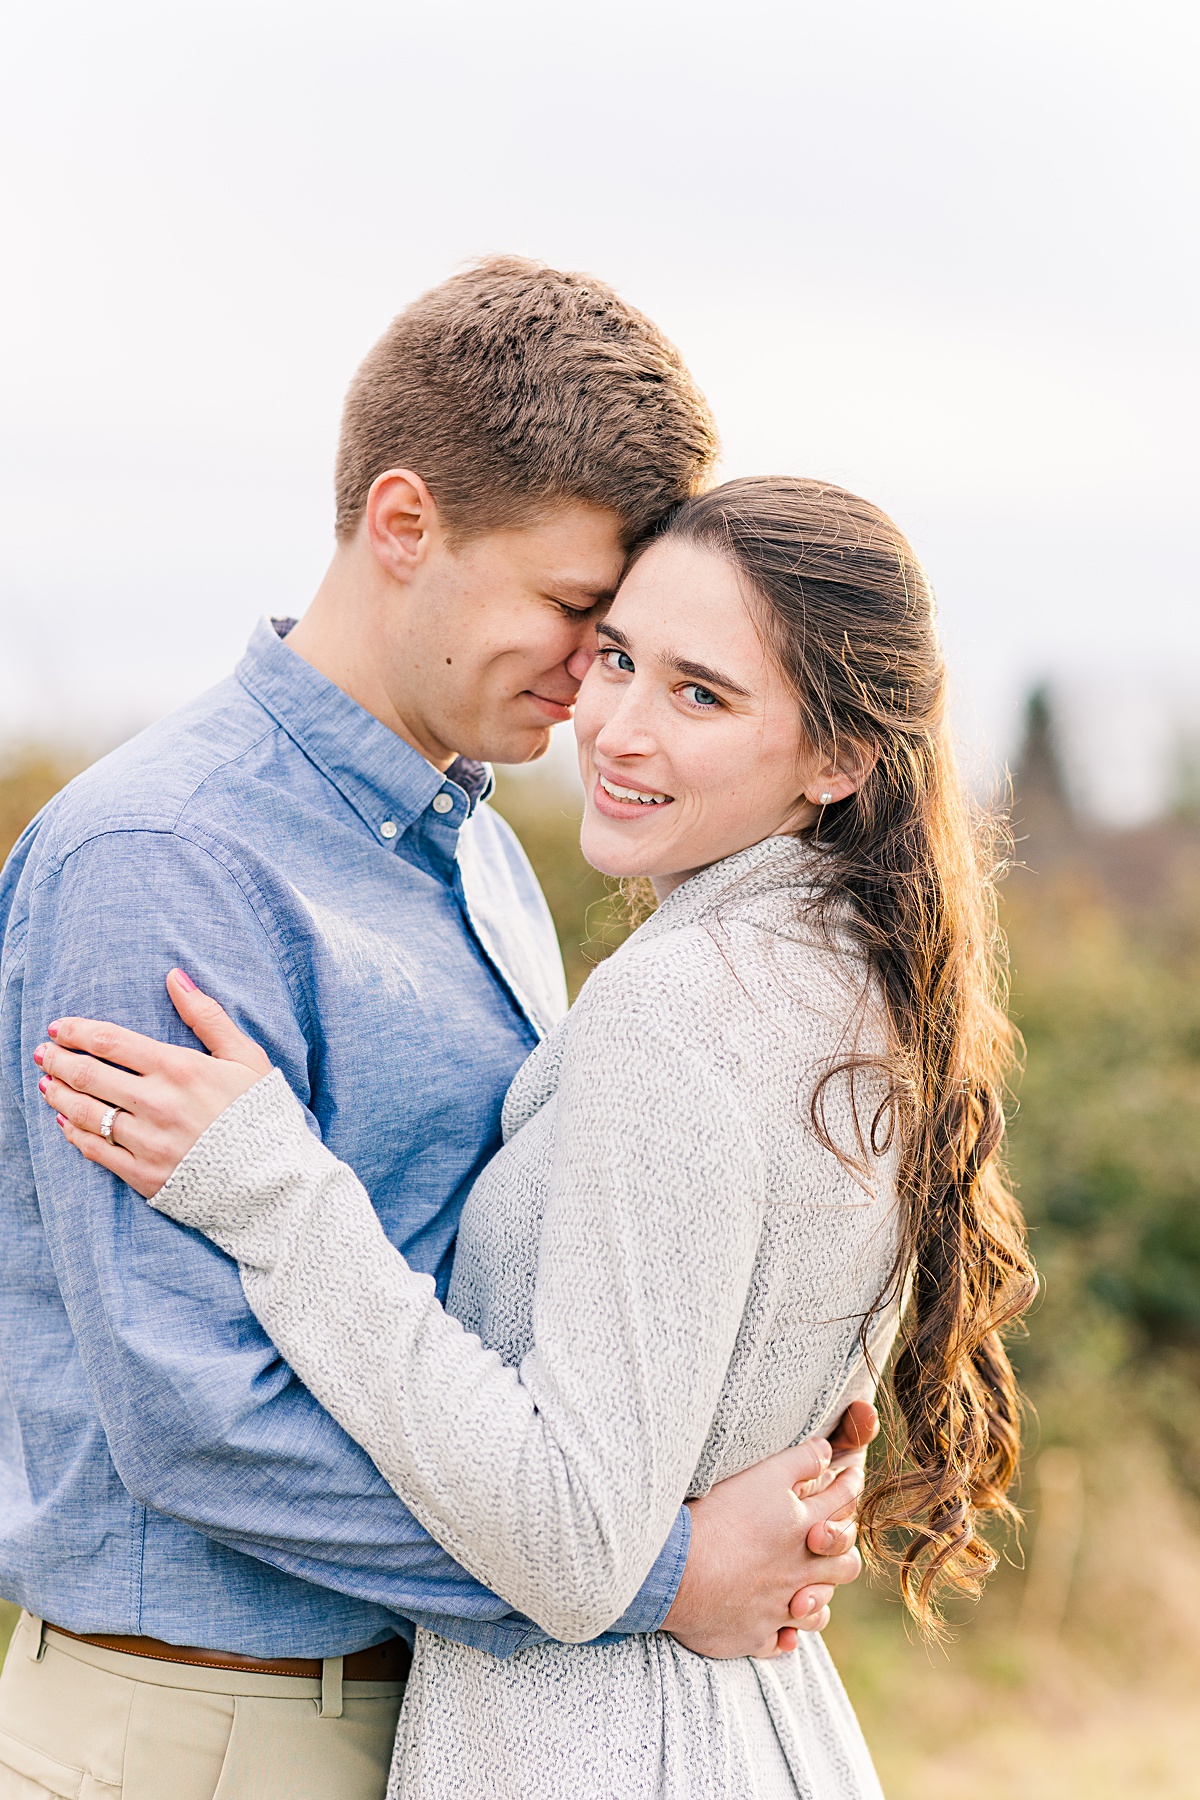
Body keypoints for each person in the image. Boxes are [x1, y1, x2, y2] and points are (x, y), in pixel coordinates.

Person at [0, 265, 868, 1800]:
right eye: (575, 613)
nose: (593, 685)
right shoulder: (162, 866)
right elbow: (198, 1423)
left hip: (446, 1717)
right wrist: (654, 1573)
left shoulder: (478, 851)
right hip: (213, 1731)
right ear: (404, 525)